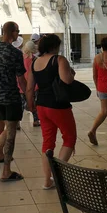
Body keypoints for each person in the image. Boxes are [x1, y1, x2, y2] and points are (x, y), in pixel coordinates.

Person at [26, 34, 76, 190]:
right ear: (55, 46)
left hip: (42, 105)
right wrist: (71, 73)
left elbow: (29, 87)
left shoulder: (35, 62)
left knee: (48, 141)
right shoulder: (59, 60)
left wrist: (30, 104)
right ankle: (58, 175)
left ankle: (47, 181)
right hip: (58, 105)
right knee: (69, 138)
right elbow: (67, 80)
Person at [0, 21, 27, 182]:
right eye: (17, 31)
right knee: (11, 134)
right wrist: (29, 97)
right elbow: (21, 79)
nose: (18, 34)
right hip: (12, 97)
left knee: (6, 128)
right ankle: (6, 170)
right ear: (11, 32)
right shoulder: (15, 53)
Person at [21, 41, 40, 127]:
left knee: (20, 105)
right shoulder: (35, 59)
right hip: (34, 85)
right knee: (34, 103)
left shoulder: (21, 59)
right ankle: (36, 120)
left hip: (22, 85)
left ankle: (17, 122)